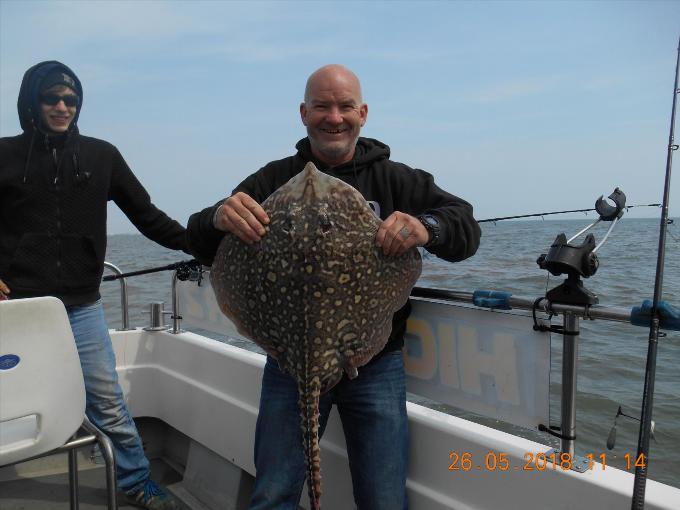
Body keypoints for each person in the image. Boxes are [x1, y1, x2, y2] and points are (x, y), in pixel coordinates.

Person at [186, 64, 481, 509]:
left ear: (362, 113)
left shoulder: (396, 179)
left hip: (376, 362)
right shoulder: (272, 180)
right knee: (274, 491)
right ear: (304, 113)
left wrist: (427, 226)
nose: (334, 117)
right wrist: (217, 216)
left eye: (345, 106)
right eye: (322, 106)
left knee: (383, 499)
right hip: (289, 360)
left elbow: (465, 227)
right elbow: (198, 238)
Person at [0, 61, 186, 510]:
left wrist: (207, 242)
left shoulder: (102, 156)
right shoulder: (3, 154)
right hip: (15, 309)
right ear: (32, 101)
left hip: (81, 306)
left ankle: (138, 481)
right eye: (51, 98)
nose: (62, 106)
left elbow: (148, 216)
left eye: (70, 99)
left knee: (108, 403)